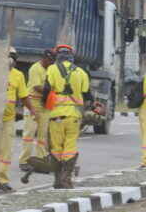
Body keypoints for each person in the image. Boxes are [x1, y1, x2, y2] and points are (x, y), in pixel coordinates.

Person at [44, 45, 91, 189]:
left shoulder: (52, 69)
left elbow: (46, 90)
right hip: (74, 116)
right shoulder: (81, 72)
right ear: (71, 57)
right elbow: (87, 94)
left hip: (56, 116)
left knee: (56, 148)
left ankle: (57, 180)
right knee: (70, 146)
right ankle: (66, 179)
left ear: (58, 57)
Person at [0, 47, 33, 192]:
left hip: (7, 119)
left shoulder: (18, 75)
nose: (10, 60)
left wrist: (33, 111)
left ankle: (2, 180)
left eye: (12, 57)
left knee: (5, 151)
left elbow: (24, 96)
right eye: (8, 56)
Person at [18, 49, 55, 171]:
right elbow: (37, 87)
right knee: (29, 133)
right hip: (33, 103)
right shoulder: (35, 68)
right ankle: (24, 161)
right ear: (44, 58)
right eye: (49, 60)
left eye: (52, 61)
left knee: (43, 135)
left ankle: (41, 160)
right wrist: (52, 90)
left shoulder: (50, 69)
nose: (51, 63)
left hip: (45, 104)